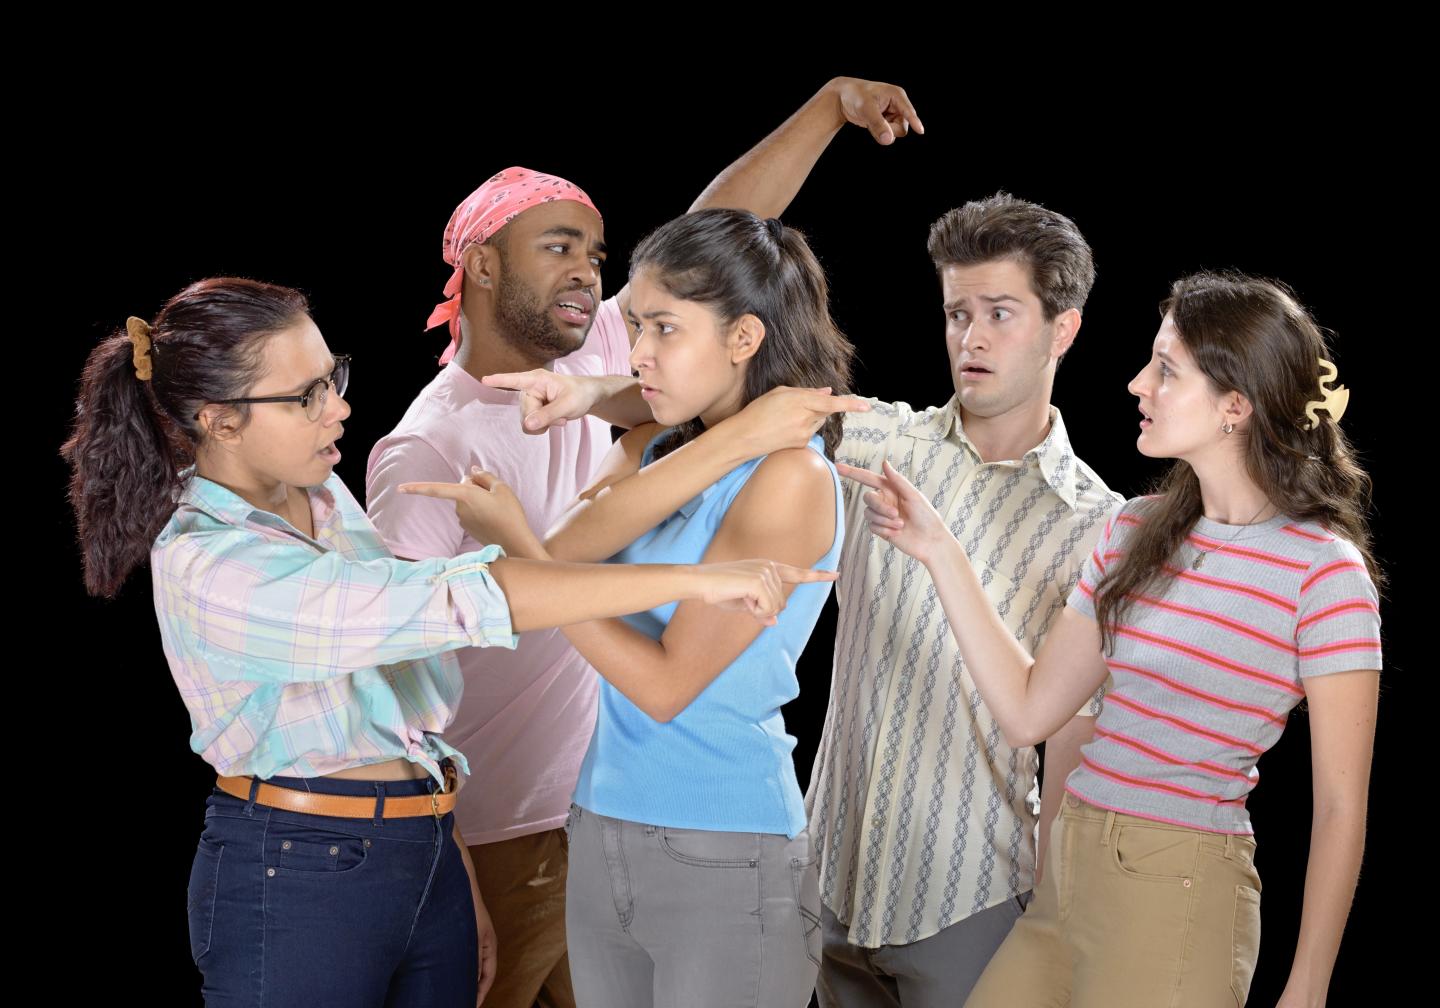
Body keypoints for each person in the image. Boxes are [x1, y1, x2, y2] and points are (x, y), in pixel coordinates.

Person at [61, 276, 833, 1008]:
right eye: (306, 397)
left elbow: (392, 707)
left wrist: (445, 844)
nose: (339, 409)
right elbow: (455, 601)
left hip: (420, 846)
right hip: (299, 867)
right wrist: (695, 579)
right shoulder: (213, 565)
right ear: (219, 419)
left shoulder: (316, 491)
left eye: (334, 378)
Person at [364, 75, 920, 1008]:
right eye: (559, 248)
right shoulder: (440, 442)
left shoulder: (665, 410)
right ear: (484, 268)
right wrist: (440, 844)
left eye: (597, 253)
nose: (592, 275)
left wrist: (827, 108)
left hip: (664, 828)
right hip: (517, 824)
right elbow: (392, 665)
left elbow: (718, 248)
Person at [498, 192, 1122, 1006]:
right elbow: (732, 398)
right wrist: (590, 395)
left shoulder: (1096, 521)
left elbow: (1072, 725)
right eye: (956, 311)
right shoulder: (876, 438)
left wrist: (1056, 904)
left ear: (1062, 328)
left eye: (999, 313)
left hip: (971, 885)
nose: (970, 336)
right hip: (835, 869)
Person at [844, 271, 1382, 1007]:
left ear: (1236, 404)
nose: (1137, 384)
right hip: (1068, 878)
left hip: (1176, 890)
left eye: (1166, 369)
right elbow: (1030, 711)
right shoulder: (1133, 531)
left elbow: (1340, 805)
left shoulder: (1323, 572)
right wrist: (939, 551)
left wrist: (1309, 985)